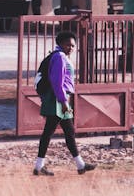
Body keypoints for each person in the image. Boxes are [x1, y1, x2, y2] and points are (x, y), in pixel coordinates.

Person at [33, 31, 96, 176]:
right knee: (49, 132)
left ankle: (80, 165)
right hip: (58, 99)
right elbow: (57, 81)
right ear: (60, 44)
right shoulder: (59, 58)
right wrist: (63, 101)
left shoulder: (61, 57)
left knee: (68, 132)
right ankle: (39, 166)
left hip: (60, 99)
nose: (71, 48)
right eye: (68, 45)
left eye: (73, 45)